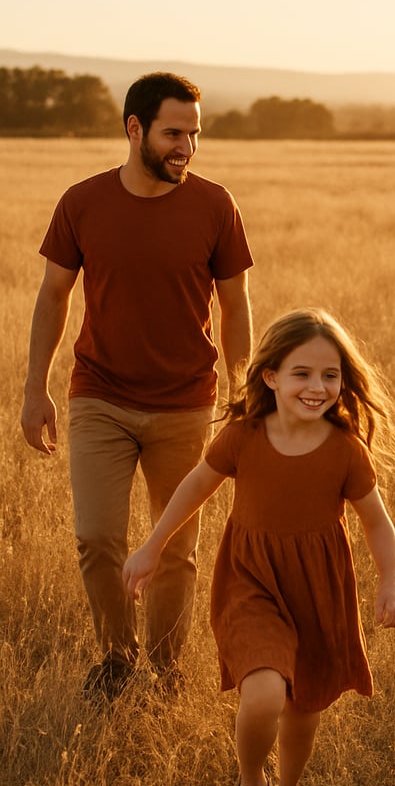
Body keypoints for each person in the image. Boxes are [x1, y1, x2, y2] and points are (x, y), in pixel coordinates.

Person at [122, 308, 395, 786]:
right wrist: (152, 546)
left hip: (319, 590)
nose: (317, 386)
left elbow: (377, 522)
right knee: (263, 694)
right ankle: (252, 784)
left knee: (303, 712)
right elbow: (196, 486)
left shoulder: (345, 450)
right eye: (302, 373)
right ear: (271, 376)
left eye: (330, 375)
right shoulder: (244, 436)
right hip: (250, 581)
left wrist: (389, 582)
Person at [20, 72, 254, 700]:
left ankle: (167, 670)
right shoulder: (83, 202)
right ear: (134, 129)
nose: (187, 147)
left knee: (174, 548)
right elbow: (52, 296)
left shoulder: (215, 205)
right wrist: (34, 388)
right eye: (174, 133)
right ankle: (119, 663)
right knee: (97, 538)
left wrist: (241, 395)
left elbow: (236, 307)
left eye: (194, 135)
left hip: (186, 403)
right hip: (99, 396)